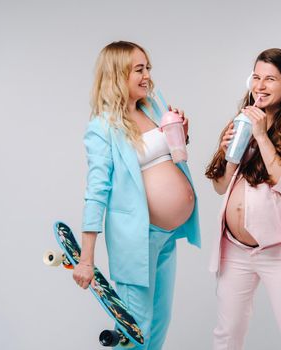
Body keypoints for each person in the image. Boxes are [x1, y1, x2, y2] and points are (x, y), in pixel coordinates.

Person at [72, 40, 201, 349]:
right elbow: (96, 191)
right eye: (139, 69)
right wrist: (86, 259)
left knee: (158, 323)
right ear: (117, 75)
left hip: (166, 234)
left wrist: (183, 132)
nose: (147, 76)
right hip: (136, 239)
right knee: (134, 330)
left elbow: (168, 155)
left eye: (148, 68)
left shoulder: (152, 105)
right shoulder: (102, 127)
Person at [205, 48, 281, 350]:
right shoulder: (243, 120)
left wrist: (261, 136)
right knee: (227, 334)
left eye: (270, 79)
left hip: (278, 251)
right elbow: (221, 187)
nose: (260, 86)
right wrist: (229, 154)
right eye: (256, 77)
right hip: (235, 249)